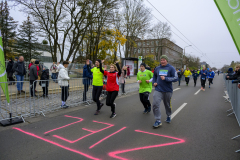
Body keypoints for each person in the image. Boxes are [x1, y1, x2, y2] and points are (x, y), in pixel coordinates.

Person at [152, 55, 178, 128]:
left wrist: (166, 78)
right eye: (161, 60)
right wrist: (154, 82)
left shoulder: (171, 68)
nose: (162, 61)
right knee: (155, 104)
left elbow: (176, 78)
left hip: (167, 90)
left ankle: (169, 115)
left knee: (167, 105)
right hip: (158, 89)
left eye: (164, 60)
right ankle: (158, 120)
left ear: (167, 60)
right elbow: (154, 76)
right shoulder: (157, 68)